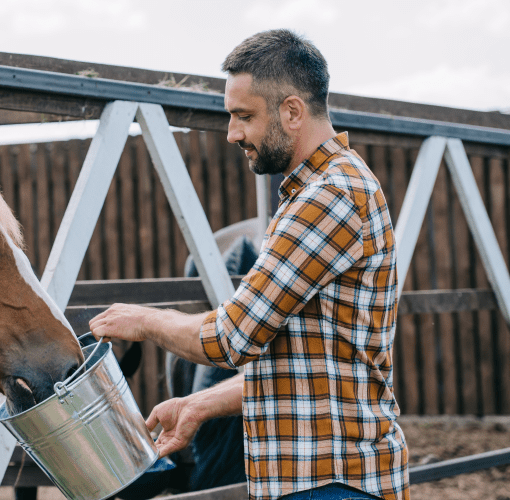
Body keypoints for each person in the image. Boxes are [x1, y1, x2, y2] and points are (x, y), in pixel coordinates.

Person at [91, 29, 408, 500]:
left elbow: (230, 338)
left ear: (293, 111)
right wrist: (200, 403)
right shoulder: (321, 190)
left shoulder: (328, 198)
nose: (232, 133)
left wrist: (143, 319)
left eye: (244, 116)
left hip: (330, 481)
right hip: (324, 478)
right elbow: (307, 362)